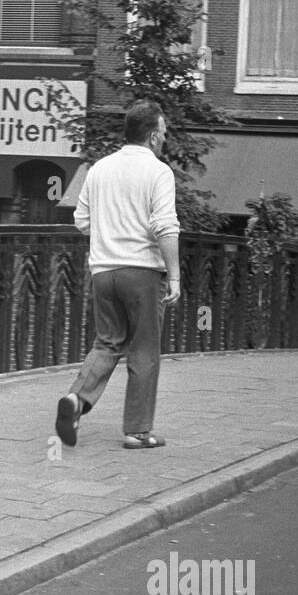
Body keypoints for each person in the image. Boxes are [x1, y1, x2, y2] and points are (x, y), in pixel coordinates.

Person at [55, 100, 181, 450]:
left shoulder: (99, 169)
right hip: (141, 273)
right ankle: (138, 431)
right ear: (154, 136)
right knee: (144, 350)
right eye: (164, 134)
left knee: (107, 342)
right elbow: (164, 226)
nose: (165, 140)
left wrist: (109, 235)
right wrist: (175, 276)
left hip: (103, 272)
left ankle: (76, 400)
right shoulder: (158, 172)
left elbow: (81, 220)